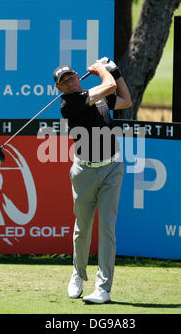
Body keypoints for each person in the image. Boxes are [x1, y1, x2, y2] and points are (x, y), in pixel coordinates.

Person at [53, 58, 132, 304]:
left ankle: (103, 289)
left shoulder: (95, 96)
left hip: (111, 168)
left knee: (107, 228)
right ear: (60, 89)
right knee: (82, 228)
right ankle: (78, 274)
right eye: (63, 81)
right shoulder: (69, 104)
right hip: (84, 172)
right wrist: (101, 71)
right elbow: (108, 87)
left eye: (70, 77)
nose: (69, 81)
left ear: (77, 76)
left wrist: (116, 71)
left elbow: (125, 100)